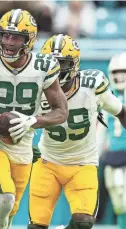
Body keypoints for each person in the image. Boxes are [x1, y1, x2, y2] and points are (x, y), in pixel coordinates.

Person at [0, 9, 68, 229]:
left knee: (11, 209)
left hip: (23, 145)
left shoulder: (43, 67)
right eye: (5, 35)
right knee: (5, 199)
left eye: (16, 37)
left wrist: (33, 121)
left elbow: (61, 111)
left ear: (30, 40)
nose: (8, 42)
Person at [28, 34, 126, 229]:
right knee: (37, 226)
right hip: (49, 162)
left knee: (84, 222)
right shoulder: (35, 89)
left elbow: (121, 111)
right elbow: (21, 121)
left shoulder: (92, 86)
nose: (55, 69)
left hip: (83, 163)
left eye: (61, 63)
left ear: (74, 64)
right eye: (50, 63)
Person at [98, 52, 126, 229]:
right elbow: (102, 131)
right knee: (118, 199)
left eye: (123, 72)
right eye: (116, 72)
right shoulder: (107, 98)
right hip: (112, 155)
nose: (119, 76)